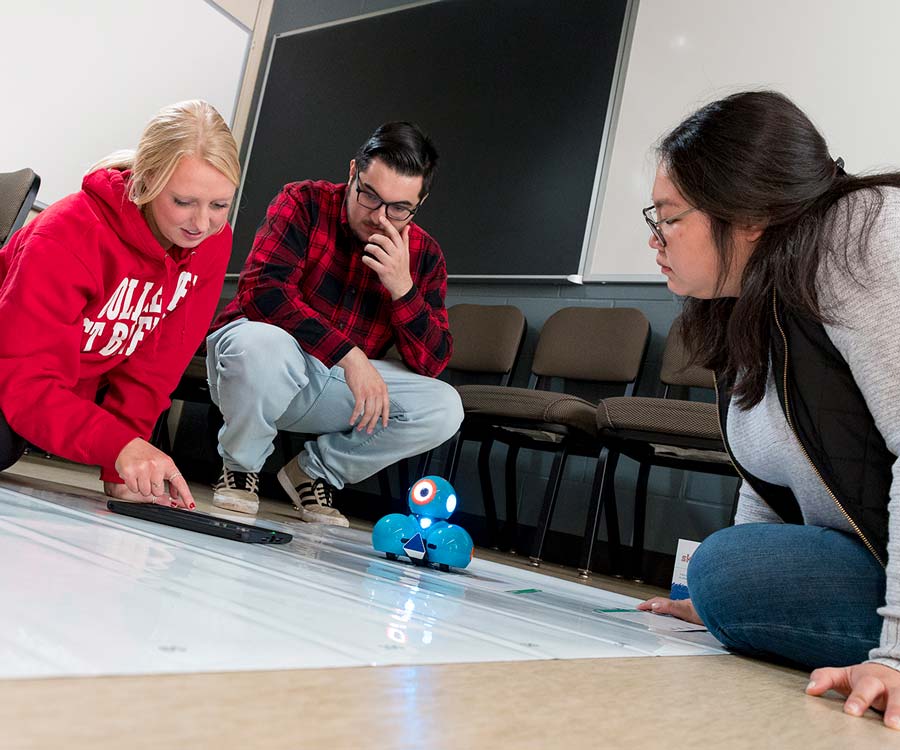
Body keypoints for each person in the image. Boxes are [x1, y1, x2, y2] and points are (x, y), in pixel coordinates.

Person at [634, 90, 900, 730]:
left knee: (725, 570)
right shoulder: (747, 297)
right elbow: (771, 471)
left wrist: (895, 654)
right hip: (870, 554)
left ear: (746, 214)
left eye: (668, 219)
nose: (654, 239)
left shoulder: (863, 237)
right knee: (724, 568)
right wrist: (741, 588)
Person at [206, 121, 463, 524]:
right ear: (352, 173)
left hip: (334, 387)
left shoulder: (425, 255)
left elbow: (432, 362)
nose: (380, 218)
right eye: (369, 196)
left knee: (445, 406)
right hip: (264, 367)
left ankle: (314, 473)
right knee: (261, 345)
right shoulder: (303, 201)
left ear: (420, 202)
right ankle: (240, 467)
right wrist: (350, 356)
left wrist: (402, 288)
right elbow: (263, 292)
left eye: (398, 208)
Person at [0, 100, 240, 510]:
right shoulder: (65, 235)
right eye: (183, 202)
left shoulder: (210, 243)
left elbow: (157, 367)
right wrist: (118, 446)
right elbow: (24, 379)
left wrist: (123, 468)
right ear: (147, 180)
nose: (202, 223)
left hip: (46, 389)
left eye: (219, 205)